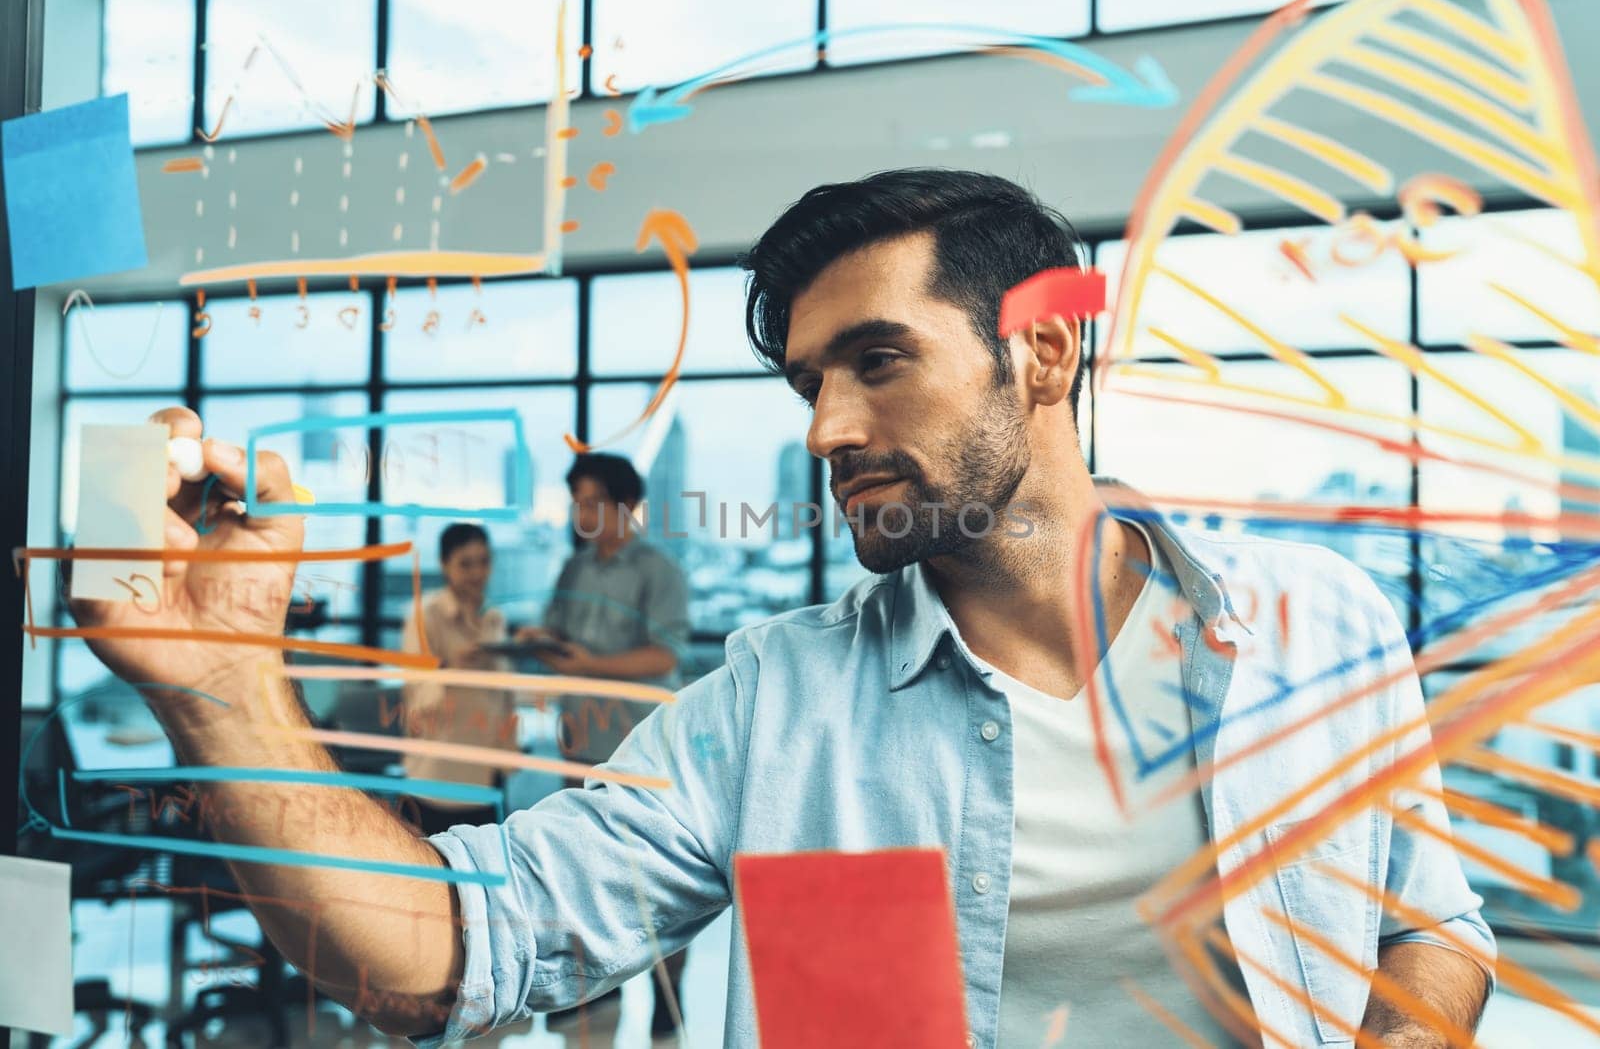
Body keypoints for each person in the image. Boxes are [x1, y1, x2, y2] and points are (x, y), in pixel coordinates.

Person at [74, 169, 1493, 1049]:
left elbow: (1431, 926)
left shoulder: (1322, 626)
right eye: (811, 381)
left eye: (879, 358)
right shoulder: (774, 707)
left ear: (1044, 353)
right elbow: (446, 952)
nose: (828, 427)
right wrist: (220, 689)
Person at [514, 453, 691, 1037]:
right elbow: (560, 634)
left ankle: (671, 992)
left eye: (591, 501)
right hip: (580, 736)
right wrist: (539, 641)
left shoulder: (658, 570)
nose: (581, 513)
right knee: (581, 867)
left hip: (639, 740)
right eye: (577, 502)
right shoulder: (576, 568)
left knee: (654, 875)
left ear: (624, 504)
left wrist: (592, 664)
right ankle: (586, 987)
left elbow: (663, 656)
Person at [398, 523, 512, 838]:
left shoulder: (494, 616)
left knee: (485, 869)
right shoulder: (425, 615)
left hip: (486, 768)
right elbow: (417, 689)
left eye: (484, 561)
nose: (477, 572)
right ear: (445, 565)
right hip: (439, 772)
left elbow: (502, 694)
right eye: (465, 563)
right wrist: (453, 667)